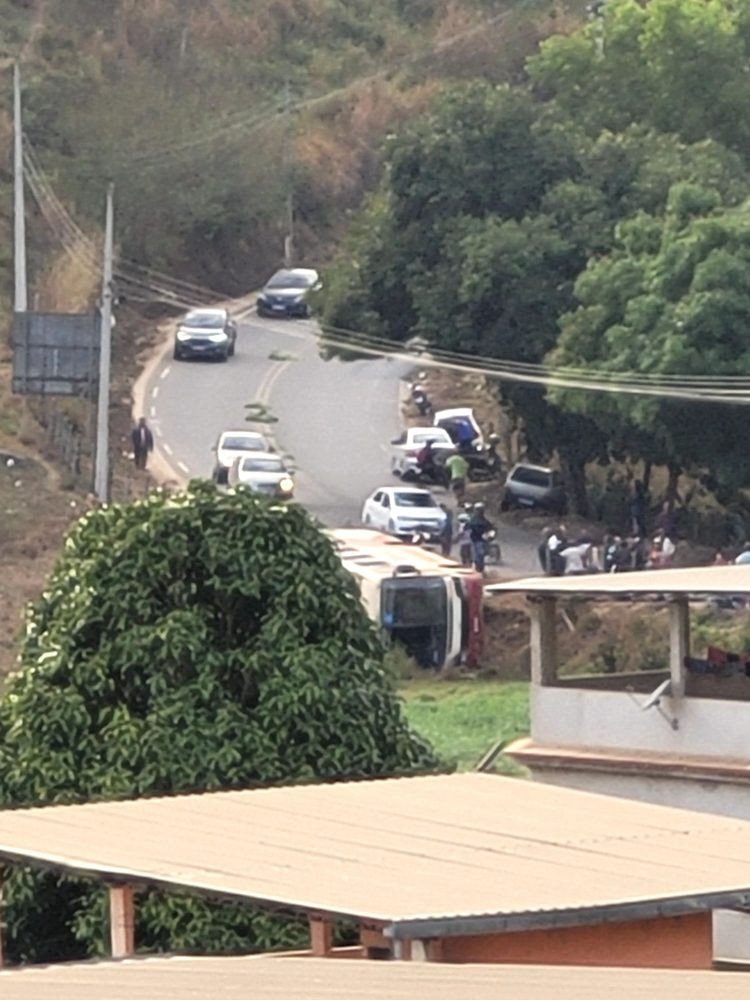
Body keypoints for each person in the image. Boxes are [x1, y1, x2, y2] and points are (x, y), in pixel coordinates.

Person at [468, 502, 494, 574]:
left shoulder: (484, 521)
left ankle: (480, 569)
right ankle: (477, 568)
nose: (480, 511)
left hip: (482, 540)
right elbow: (467, 528)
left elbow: (490, 529)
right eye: (478, 510)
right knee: (478, 554)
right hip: (475, 540)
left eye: (481, 510)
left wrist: (490, 535)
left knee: (481, 554)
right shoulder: (473, 520)